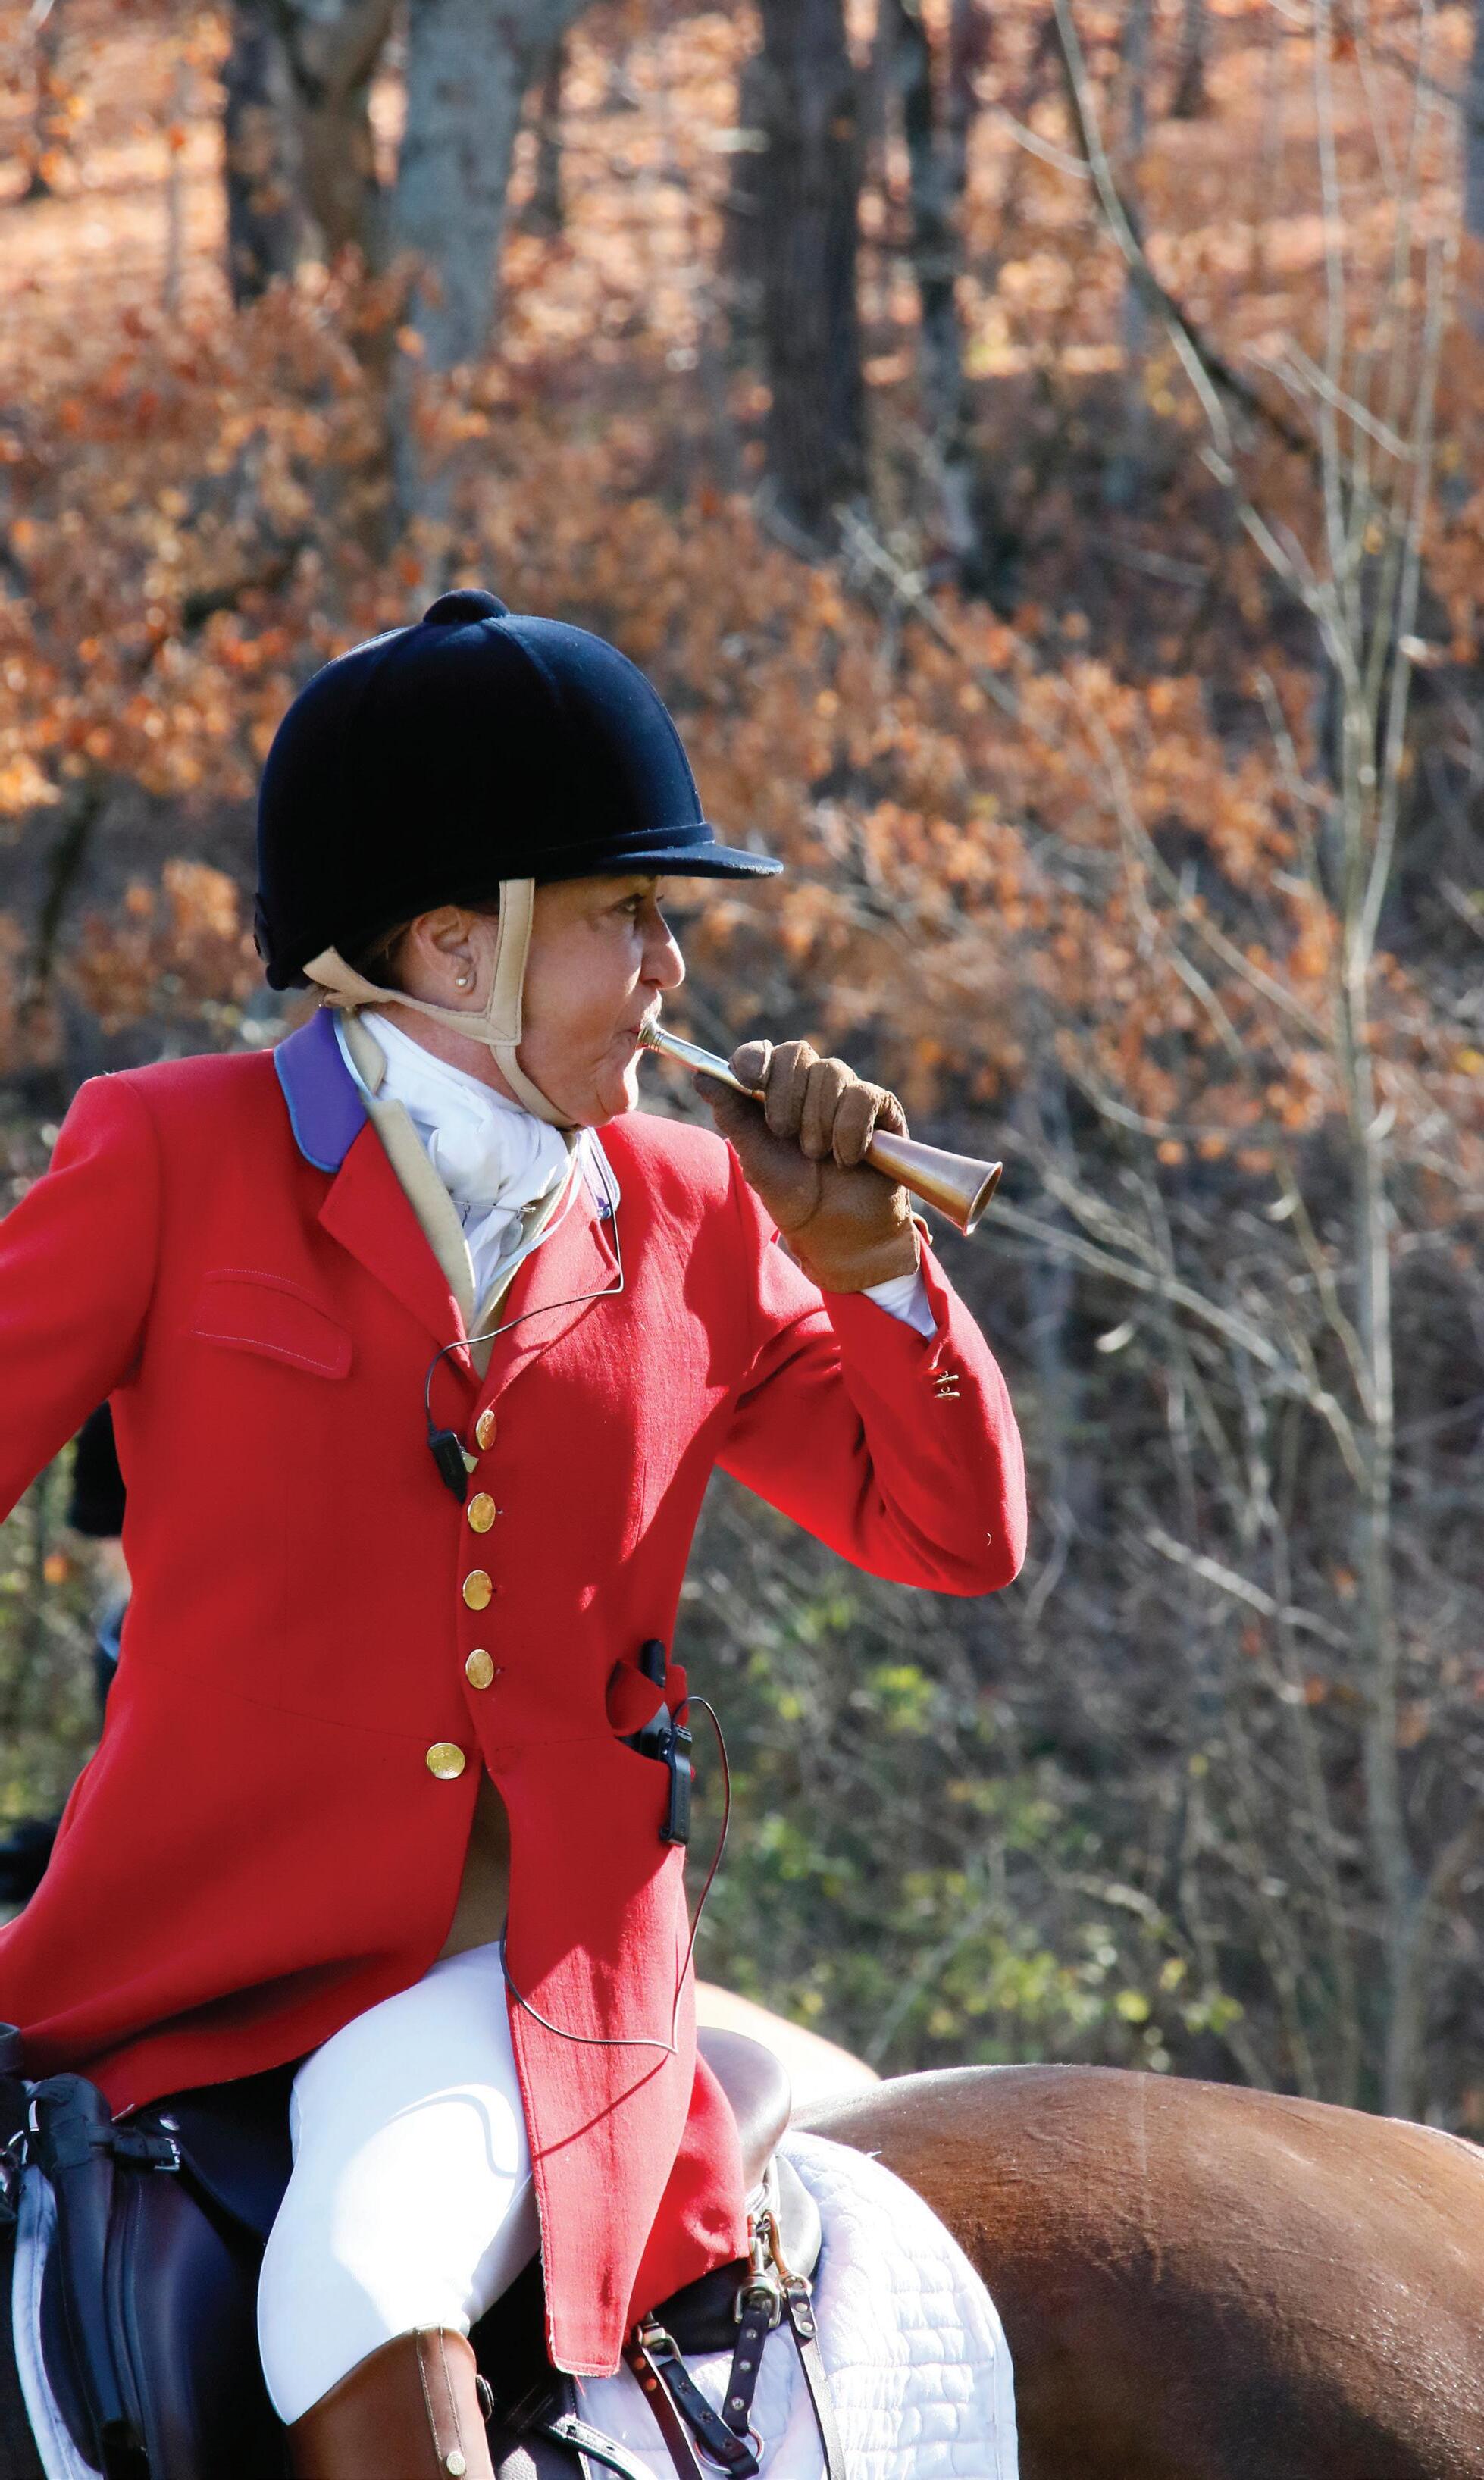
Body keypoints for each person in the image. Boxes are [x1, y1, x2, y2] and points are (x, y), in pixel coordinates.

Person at [0, 590, 1026, 2478]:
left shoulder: (701, 1210)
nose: (672, 970)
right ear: (453, 943)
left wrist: (870, 1268)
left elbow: (952, 1535)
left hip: (533, 1978)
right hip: (182, 1964)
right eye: (626, 915)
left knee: (360, 2266)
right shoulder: (166, 1154)